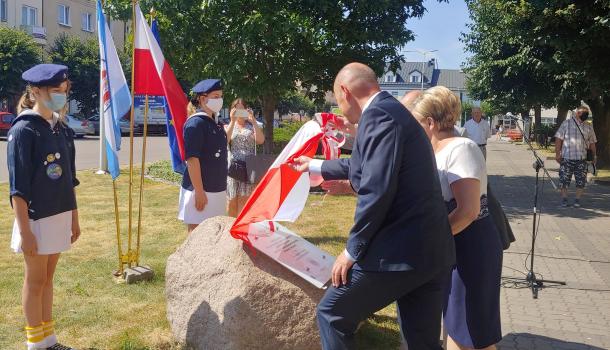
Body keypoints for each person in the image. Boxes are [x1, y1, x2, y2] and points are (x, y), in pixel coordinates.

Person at [292, 62, 455, 350]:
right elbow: (364, 166)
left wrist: (352, 250)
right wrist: (315, 164)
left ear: (344, 91)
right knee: (422, 343)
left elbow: (376, 189)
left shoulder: (380, 116)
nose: (341, 110)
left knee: (333, 313)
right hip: (430, 253)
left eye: (337, 100)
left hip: (401, 251)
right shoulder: (389, 112)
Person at [412, 86, 503, 350]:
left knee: (473, 332)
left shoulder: (461, 148)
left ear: (430, 122)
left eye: (416, 121)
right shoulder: (439, 149)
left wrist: (430, 242)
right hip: (455, 243)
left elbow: (467, 210)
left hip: (470, 246)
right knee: (456, 324)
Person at [8, 64, 81, 350]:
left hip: (59, 215)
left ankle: (49, 340)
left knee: (48, 279)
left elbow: (70, 180)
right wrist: (25, 232)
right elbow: (18, 189)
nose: (61, 95)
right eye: (55, 91)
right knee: (35, 280)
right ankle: (35, 343)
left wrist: (74, 219)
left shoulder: (62, 129)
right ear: (36, 92)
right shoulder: (24, 130)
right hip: (36, 219)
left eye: (64, 90)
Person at [179, 79, 228, 233]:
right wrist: (199, 192)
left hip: (217, 188)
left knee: (214, 234)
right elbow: (192, 160)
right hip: (201, 190)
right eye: (215, 96)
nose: (219, 100)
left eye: (220, 96)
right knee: (197, 235)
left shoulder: (216, 123)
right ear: (202, 98)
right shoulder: (196, 123)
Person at [225, 98, 265, 217]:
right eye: (237, 109)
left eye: (242, 109)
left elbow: (260, 141)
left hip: (248, 167)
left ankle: (240, 229)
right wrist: (232, 121)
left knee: (244, 199)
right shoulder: (228, 125)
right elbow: (225, 140)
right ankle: (230, 227)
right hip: (233, 166)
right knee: (231, 200)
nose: (240, 112)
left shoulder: (252, 126)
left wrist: (253, 122)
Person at [555, 106, 597, 208]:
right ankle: (564, 199)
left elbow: (592, 143)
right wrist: (557, 154)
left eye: (587, 113)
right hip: (567, 158)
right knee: (564, 181)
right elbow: (558, 139)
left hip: (582, 159)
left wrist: (594, 156)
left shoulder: (588, 126)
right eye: (584, 113)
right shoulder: (566, 123)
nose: (586, 115)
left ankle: (577, 200)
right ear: (578, 113)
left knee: (581, 182)